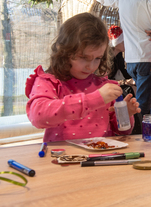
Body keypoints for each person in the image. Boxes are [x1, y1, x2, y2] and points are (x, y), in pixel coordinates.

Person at [25, 13, 141, 142]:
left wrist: (125, 114)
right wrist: (94, 99)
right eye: (84, 58)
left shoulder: (104, 85)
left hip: (101, 157)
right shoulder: (49, 81)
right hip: (62, 158)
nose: (90, 66)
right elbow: (38, 117)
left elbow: (121, 131)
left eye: (97, 58)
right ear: (64, 52)